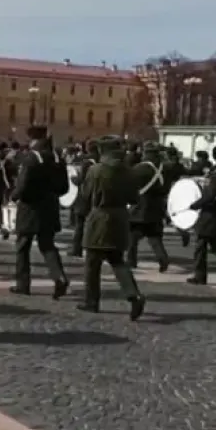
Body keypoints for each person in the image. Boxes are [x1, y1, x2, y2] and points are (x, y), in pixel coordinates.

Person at [78, 136, 145, 320]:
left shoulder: (96, 170)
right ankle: (134, 295)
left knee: (92, 262)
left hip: (100, 218)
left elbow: (86, 194)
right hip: (121, 217)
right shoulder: (129, 171)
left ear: (102, 151)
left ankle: (91, 302)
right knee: (117, 261)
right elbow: (135, 199)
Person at [10, 125, 69, 298]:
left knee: (22, 246)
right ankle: (59, 277)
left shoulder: (31, 158)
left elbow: (22, 185)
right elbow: (64, 187)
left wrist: (13, 197)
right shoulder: (57, 158)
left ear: (32, 139)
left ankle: (23, 284)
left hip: (30, 207)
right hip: (50, 206)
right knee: (47, 245)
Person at [187, 143, 216, 285]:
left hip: (212, 213)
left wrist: (195, 205)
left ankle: (199, 275)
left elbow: (211, 194)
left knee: (201, 245)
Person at [127, 142, 170, 272]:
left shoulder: (138, 169)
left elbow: (131, 188)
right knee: (155, 238)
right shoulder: (166, 169)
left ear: (145, 153)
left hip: (139, 209)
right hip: (157, 208)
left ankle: (131, 261)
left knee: (131, 238)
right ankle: (163, 259)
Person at [68, 140, 100, 257]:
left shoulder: (87, 162)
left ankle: (77, 249)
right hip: (98, 195)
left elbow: (81, 179)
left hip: (85, 196)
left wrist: (73, 178)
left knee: (79, 224)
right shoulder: (101, 160)